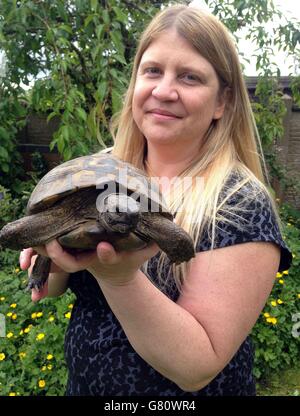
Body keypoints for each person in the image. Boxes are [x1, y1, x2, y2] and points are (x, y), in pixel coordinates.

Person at [20, 4, 292, 396]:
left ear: (223, 103)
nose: (164, 91)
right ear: (134, 83)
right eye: (152, 71)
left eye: (190, 77)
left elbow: (196, 368)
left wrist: (120, 278)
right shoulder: (96, 171)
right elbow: (55, 286)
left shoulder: (239, 203)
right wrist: (50, 255)